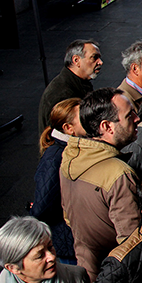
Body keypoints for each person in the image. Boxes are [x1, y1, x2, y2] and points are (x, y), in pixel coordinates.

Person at [60, 88, 141, 282]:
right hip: (118, 279)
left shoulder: (69, 158)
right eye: (129, 115)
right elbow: (131, 243)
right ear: (107, 126)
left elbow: (68, 217)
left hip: (88, 270)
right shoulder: (118, 173)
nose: (137, 118)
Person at [32, 98, 85, 265]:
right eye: (83, 118)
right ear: (68, 128)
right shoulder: (55, 157)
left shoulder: (70, 150)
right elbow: (41, 208)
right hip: (68, 245)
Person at [38, 39, 102, 135]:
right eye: (94, 58)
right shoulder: (62, 94)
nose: (100, 62)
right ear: (76, 60)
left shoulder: (80, 82)